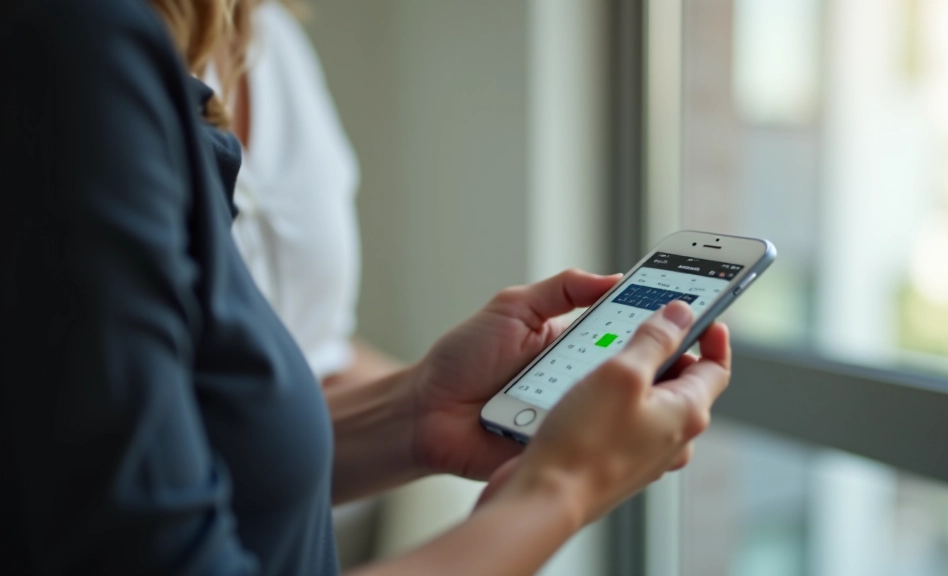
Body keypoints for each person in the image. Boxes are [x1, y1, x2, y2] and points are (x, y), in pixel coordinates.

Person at [0, 1, 732, 575]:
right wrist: (565, 487)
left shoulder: (256, 38)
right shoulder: (73, 52)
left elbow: (194, 432)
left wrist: (419, 415)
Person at [206, 1, 400, 564]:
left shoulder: (274, 39)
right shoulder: (95, 64)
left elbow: (316, 353)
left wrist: (493, 401)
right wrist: (562, 488)